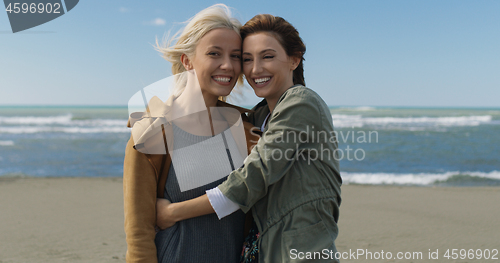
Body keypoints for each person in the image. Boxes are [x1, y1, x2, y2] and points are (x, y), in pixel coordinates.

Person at [156, 14, 342, 262]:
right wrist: (161, 116)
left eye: (267, 56)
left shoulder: (301, 102)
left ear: (294, 60)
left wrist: (173, 212)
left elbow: (253, 177)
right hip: (263, 250)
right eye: (246, 59)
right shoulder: (258, 116)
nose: (255, 69)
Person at [123, 4, 259, 263]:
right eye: (214, 53)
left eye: (236, 56)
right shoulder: (151, 134)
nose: (228, 66)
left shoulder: (247, 131)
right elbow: (138, 235)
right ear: (187, 60)